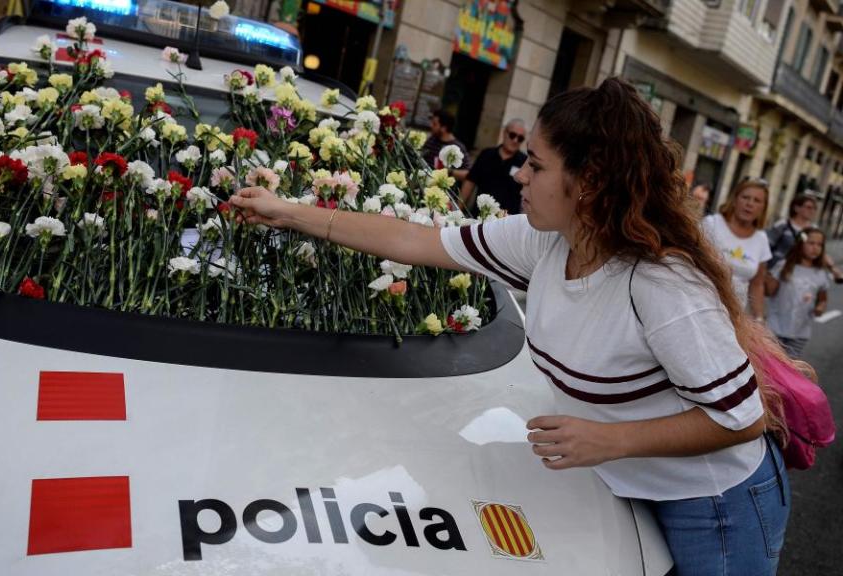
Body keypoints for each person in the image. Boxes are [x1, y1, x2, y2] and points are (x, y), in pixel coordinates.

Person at [230, 77, 790, 575]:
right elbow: (415, 241)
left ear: (589, 181)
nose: (519, 173)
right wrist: (288, 211)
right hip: (626, 485)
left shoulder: (663, 285)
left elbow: (743, 419)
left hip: (713, 508)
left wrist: (612, 440)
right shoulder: (544, 241)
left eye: (538, 165)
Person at [702, 180, 772, 321]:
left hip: (734, 316)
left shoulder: (761, 239)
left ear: (763, 208)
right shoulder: (712, 224)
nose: (750, 204)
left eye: (757, 200)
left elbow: (757, 284)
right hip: (701, 305)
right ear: (734, 200)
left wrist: (759, 318)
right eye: (745, 197)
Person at [765, 227, 833, 358]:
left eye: (820, 245)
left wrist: (820, 308)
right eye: (811, 243)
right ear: (800, 244)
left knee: (789, 369)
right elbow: (769, 292)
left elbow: (823, 299)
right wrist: (768, 275)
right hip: (774, 329)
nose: (815, 248)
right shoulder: (784, 265)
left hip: (800, 333)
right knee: (769, 368)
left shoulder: (820, 273)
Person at [459, 119, 528, 215]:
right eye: (512, 135)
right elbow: (470, 182)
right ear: (504, 133)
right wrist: (457, 209)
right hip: (478, 217)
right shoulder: (486, 154)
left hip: (505, 223)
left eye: (520, 138)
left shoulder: (525, 163)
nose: (515, 140)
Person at [767, 194, 818, 269]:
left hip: (799, 271)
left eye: (814, 208)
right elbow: (766, 246)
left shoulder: (814, 230)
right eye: (808, 207)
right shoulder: (783, 225)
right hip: (776, 269)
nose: (812, 211)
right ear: (796, 208)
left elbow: (818, 253)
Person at [421, 109, 469, 181]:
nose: (431, 126)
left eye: (434, 124)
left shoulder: (458, 147)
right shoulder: (432, 140)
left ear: (444, 128)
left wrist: (449, 171)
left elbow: (467, 174)